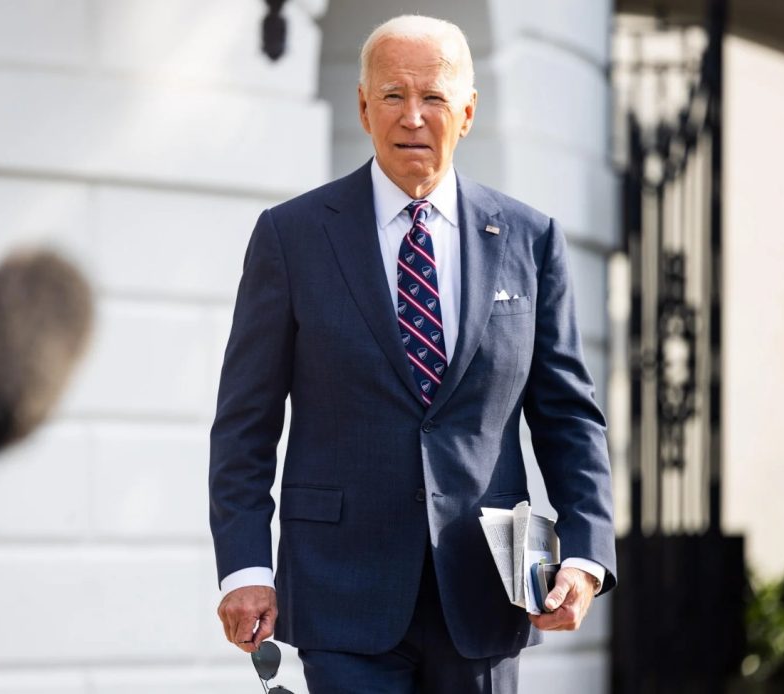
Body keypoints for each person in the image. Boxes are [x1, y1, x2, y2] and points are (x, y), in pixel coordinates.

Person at [208, 14, 617, 693]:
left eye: (433, 96)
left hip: (485, 593)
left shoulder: (530, 239)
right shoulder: (292, 236)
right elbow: (244, 423)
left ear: (468, 111)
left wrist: (585, 555)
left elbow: (570, 418)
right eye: (393, 95)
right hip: (340, 592)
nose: (413, 116)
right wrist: (247, 568)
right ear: (364, 107)